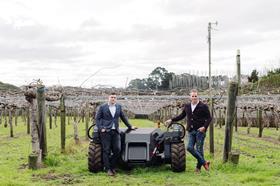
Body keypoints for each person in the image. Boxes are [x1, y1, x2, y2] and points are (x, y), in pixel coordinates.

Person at [165, 89, 212, 172]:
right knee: (189, 148)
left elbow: (209, 118)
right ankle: (205, 162)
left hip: (200, 131)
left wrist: (204, 127)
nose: (194, 97)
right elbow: (181, 116)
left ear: (198, 96)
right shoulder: (187, 106)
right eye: (192, 96)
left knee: (199, 149)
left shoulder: (203, 106)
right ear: (190, 97)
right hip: (190, 130)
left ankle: (198, 168)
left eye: (195, 96)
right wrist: (171, 120)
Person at [95, 92, 137, 176]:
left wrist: (130, 126)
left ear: (116, 99)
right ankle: (108, 169)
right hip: (106, 131)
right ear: (108, 98)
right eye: (111, 97)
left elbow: (123, 117)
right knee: (106, 150)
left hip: (116, 131)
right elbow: (97, 119)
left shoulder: (118, 106)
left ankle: (112, 166)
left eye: (114, 97)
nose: (113, 99)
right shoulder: (102, 107)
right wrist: (101, 128)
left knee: (117, 149)